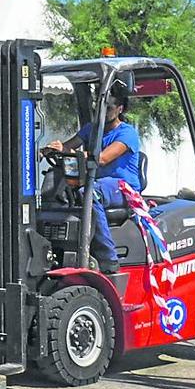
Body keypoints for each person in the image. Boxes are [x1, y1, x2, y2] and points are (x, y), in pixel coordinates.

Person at [45, 85, 142, 274]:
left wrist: (71, 152)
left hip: (123, 188)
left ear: (120, 109)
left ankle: (107, 257)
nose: (104, 111)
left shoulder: (127, 133)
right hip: (97, 183)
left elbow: (103, 158)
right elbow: (70, 146)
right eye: (102, 107)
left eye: (110, 107)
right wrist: (55, 148)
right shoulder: (91, 129)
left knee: (90, 193)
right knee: (59, 191)